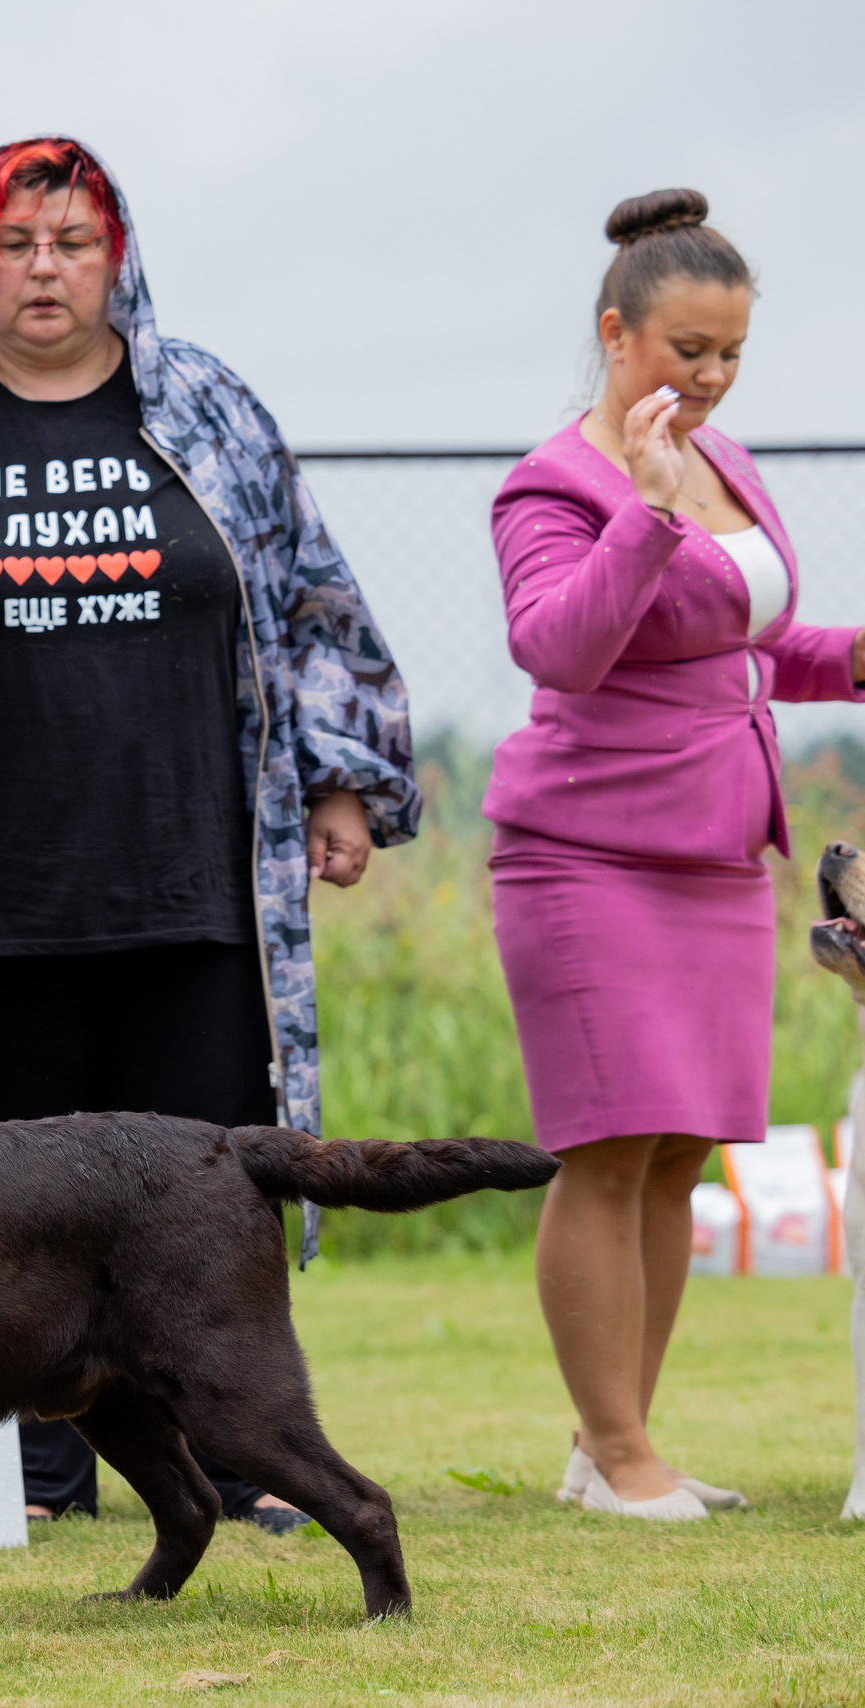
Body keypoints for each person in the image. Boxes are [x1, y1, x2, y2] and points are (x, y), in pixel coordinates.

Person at [0, 137, 418, 1529]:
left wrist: (343, 780)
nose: (44, 271)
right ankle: (26, 1478)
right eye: (16, 244)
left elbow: (310, 603)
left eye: (73, 243)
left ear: (118, 257)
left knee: (209, 1185)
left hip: (193, 880)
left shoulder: (211, 408)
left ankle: (239, 1457)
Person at [486, 188, 861, 1521]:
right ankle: (617, 1450)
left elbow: (741, 646)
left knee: (678, 1150)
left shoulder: (735, 463)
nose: (707, 378)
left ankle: (617, 1444)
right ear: (616, 332)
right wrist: (643, 512)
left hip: (714, 860)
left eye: (730, 356)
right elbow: (562, 647)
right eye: (686, 350)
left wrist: (854, 658)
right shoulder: (555, 481)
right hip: (586, 860)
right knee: (607, 1144)